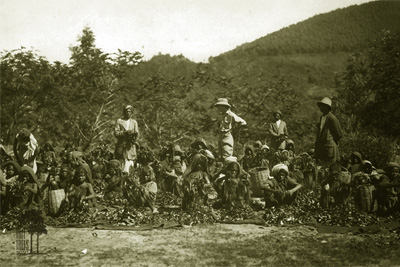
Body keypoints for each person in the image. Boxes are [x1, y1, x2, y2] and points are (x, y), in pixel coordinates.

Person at [314, 97, 343, 169]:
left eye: (323, 106)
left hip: (329, 150)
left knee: (330, 169)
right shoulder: (322, 118)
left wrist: (331, 141)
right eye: (321, 105)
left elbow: (339, 134)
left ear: (327, 107)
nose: (321, 107)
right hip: (322, 150)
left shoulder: (332, 119)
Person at [114, 104, 139, 174]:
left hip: (130, 148)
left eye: (129, 111)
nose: (128, 113)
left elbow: (137, 134)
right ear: (124, 112)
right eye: (126, 111)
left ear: (131, 113)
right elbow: (116, 133)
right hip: (121, 148)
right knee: (121, 168)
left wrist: (133, 137)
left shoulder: (134, 122)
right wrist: (124, 133)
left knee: (130, 168)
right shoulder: (119, 121)